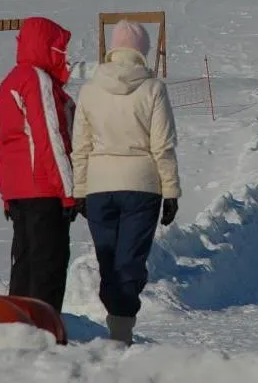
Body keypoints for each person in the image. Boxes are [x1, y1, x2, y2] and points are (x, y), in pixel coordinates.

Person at [71, 20, 181, 345]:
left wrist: (79, 190)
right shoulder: (154, 89)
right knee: (130, 261)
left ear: (113, 49)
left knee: (108, 263)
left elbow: (82, 146)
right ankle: (121, 332)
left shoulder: (89, 90)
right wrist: (171, 191)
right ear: (143, 51)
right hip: (142, 187)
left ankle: (116, 329)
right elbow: (163, 145)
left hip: (98, 188)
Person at [0, 16, 77, 314]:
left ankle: (18, 326)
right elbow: (49, 137)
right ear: (46, 46)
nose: (63, 55)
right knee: (48, 267)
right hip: (44, 189)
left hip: (19, 191)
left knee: (25, 264)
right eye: (59, 48)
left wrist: (6, 195)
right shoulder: (37, 79)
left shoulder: (9, 81)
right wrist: (69, 191)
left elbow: (5, 144)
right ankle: (44, 333)